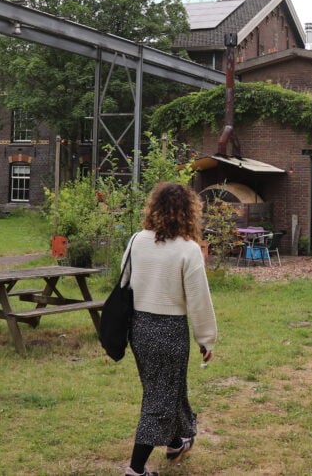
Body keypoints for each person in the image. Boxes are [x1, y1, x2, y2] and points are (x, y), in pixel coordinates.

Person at [123, 182, 217, 476]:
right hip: (169, 330)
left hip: (138, 328)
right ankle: (135, 469)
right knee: (159, 398)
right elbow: (199, 299)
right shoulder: (188, 250)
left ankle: (177, 442)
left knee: (163, 388)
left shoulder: (137, 240)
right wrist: (206, 339)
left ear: (154, 208)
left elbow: (124, 282)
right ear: (189, 212)